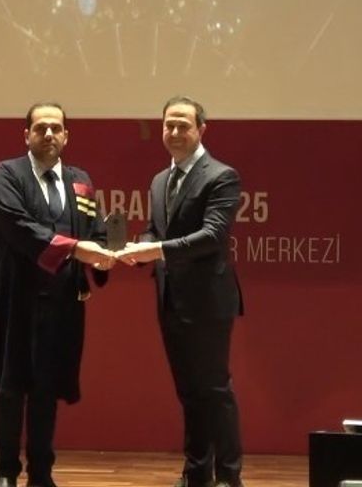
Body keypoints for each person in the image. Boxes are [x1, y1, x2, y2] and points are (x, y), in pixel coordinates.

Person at [0, 102, 115, 487]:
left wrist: (105, 255)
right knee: (11, 387)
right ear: (26, 135)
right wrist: (76, 249)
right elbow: (18, 227)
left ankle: (41, 474)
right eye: (40, 127)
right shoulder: (6, 175)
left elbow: (94, 229)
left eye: (56, 128)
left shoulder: (80, 182)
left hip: (62, 302)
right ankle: (6, 473)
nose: (49, 134)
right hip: (16, 298)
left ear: (66, 136)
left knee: (47, 388)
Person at [118, 96, 245, 487]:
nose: (174, 132)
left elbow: (212, 236)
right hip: (170, 299)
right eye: (168, 125)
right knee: (189, 393)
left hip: (208, 302)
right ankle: (195, 474)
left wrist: (154, 250)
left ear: (201, 129)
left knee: (215, 391)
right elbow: (154, 231)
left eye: (183, 125)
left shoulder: (221, 176)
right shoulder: (160, 180)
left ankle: (228, 477)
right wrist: (133, 249)